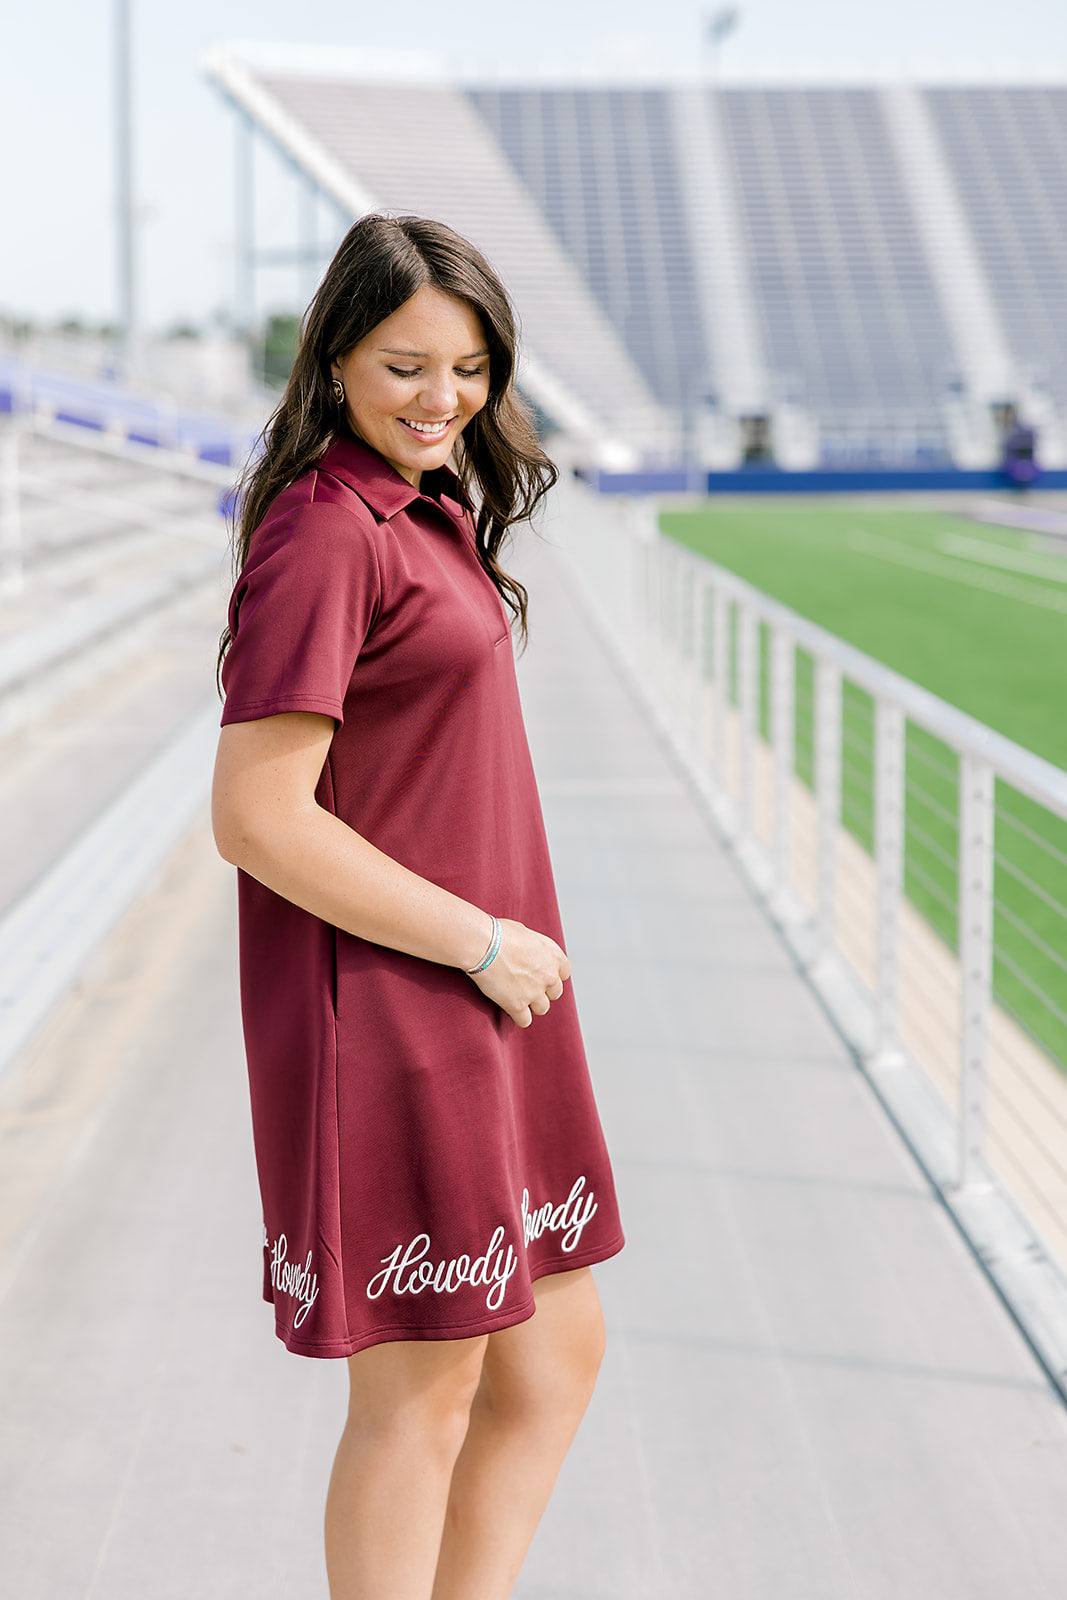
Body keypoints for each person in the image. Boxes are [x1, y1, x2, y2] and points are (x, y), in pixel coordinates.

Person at [210, 213, 624, 1600]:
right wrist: (482, 942)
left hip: (488, 1003)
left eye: (470, 366)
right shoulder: (326, 532)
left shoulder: (432, 497)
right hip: (405, 1009)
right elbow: (256, 817)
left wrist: (498, 956)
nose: (441, 397)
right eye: (403, 366)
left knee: (555, 1354)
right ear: (332, 361)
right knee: (424, 1397)